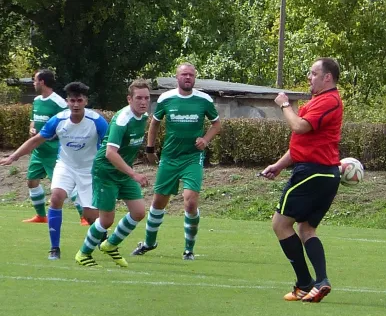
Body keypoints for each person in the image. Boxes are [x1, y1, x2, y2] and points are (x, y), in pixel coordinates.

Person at [260, 57, 343, 303]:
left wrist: (285, 105)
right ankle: (320, 282)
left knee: (280, 224)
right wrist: (278, 165)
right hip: (323, 174)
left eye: (313, 73)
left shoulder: (329, 100)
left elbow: (299, 127)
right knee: (306, 229)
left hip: (313, 173)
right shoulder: (319, 101)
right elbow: (302, 143)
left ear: (327, 77)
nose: (309, 77)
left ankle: (305, 284)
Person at [0, 82, 108, 260]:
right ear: (67, 101)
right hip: (65, 165)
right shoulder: (59, 119)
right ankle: (54, 248)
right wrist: (14, 157)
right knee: (56, 197)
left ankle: (101, 237)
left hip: (89, 170)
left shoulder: (96, 121)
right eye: (72, 100)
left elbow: (110, 146)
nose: (75, 104)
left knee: (90, 216)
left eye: (79, 100)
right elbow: (36, 140)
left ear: (85, 101)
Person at [131, 62, 221, 260]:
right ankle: (149, 242)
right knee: (158, 203)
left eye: (190, 75)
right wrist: (150, 149)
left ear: (195, 78)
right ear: (177, 77)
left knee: (190, 202)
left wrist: (205, 140)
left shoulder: (203, 100)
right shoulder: (166, 99)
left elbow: (216, 124)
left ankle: (189, 249)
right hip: (169, 158)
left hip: (192, 158)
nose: (187, 78)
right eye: (184, 75)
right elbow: (154, 124)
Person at [75, 79, 151, 268]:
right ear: (129, 99)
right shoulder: (122, 119)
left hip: (122, 172)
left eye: (147, 98)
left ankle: (110, 245)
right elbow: (110, 153)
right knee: (107, 220)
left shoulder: (143, 117)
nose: (143, 102)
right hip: (106, 172)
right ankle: (83, 253)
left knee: (139, 212)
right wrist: (134, 174)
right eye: (139, 98)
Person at [23, 69, 67, 223]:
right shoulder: (36, 100)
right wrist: (31, 129)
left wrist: (50, 136)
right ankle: (41, 216)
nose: (33, 83)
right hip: (38, 151)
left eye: (35, 80)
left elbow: (66, 124)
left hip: (53, 150)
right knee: (32, 181)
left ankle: (86, 217)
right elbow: (33, 120)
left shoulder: (59, 102)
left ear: (42, 82)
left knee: (63, 185)